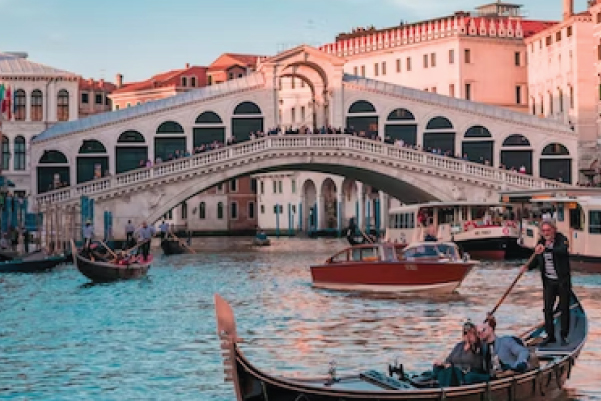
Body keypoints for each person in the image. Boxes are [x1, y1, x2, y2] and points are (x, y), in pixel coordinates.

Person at [520, 218, 571, 346]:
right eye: (544, 231)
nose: (546, 233)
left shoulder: (561, 239)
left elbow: (562, 251)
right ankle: (550, 335)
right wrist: (527, 267)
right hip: (549, 281)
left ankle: (564, 335)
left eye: (548, 230)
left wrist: (547, 249)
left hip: (562, 281)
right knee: (547, 309)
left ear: (554, 230)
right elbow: (536, 259)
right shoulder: (540, 242)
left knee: (564, 308)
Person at [432, 321, 489, 386]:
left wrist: (471, 343)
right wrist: (443, 364)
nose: (467, 335)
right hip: (454, 372)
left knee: (467, 376)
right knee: (438, 368)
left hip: (469, 372)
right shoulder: (459, 346)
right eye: (465, 333)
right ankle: (437, 383)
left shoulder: (479, 346)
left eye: (470, 333)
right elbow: (448, 360)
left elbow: (477, 360)